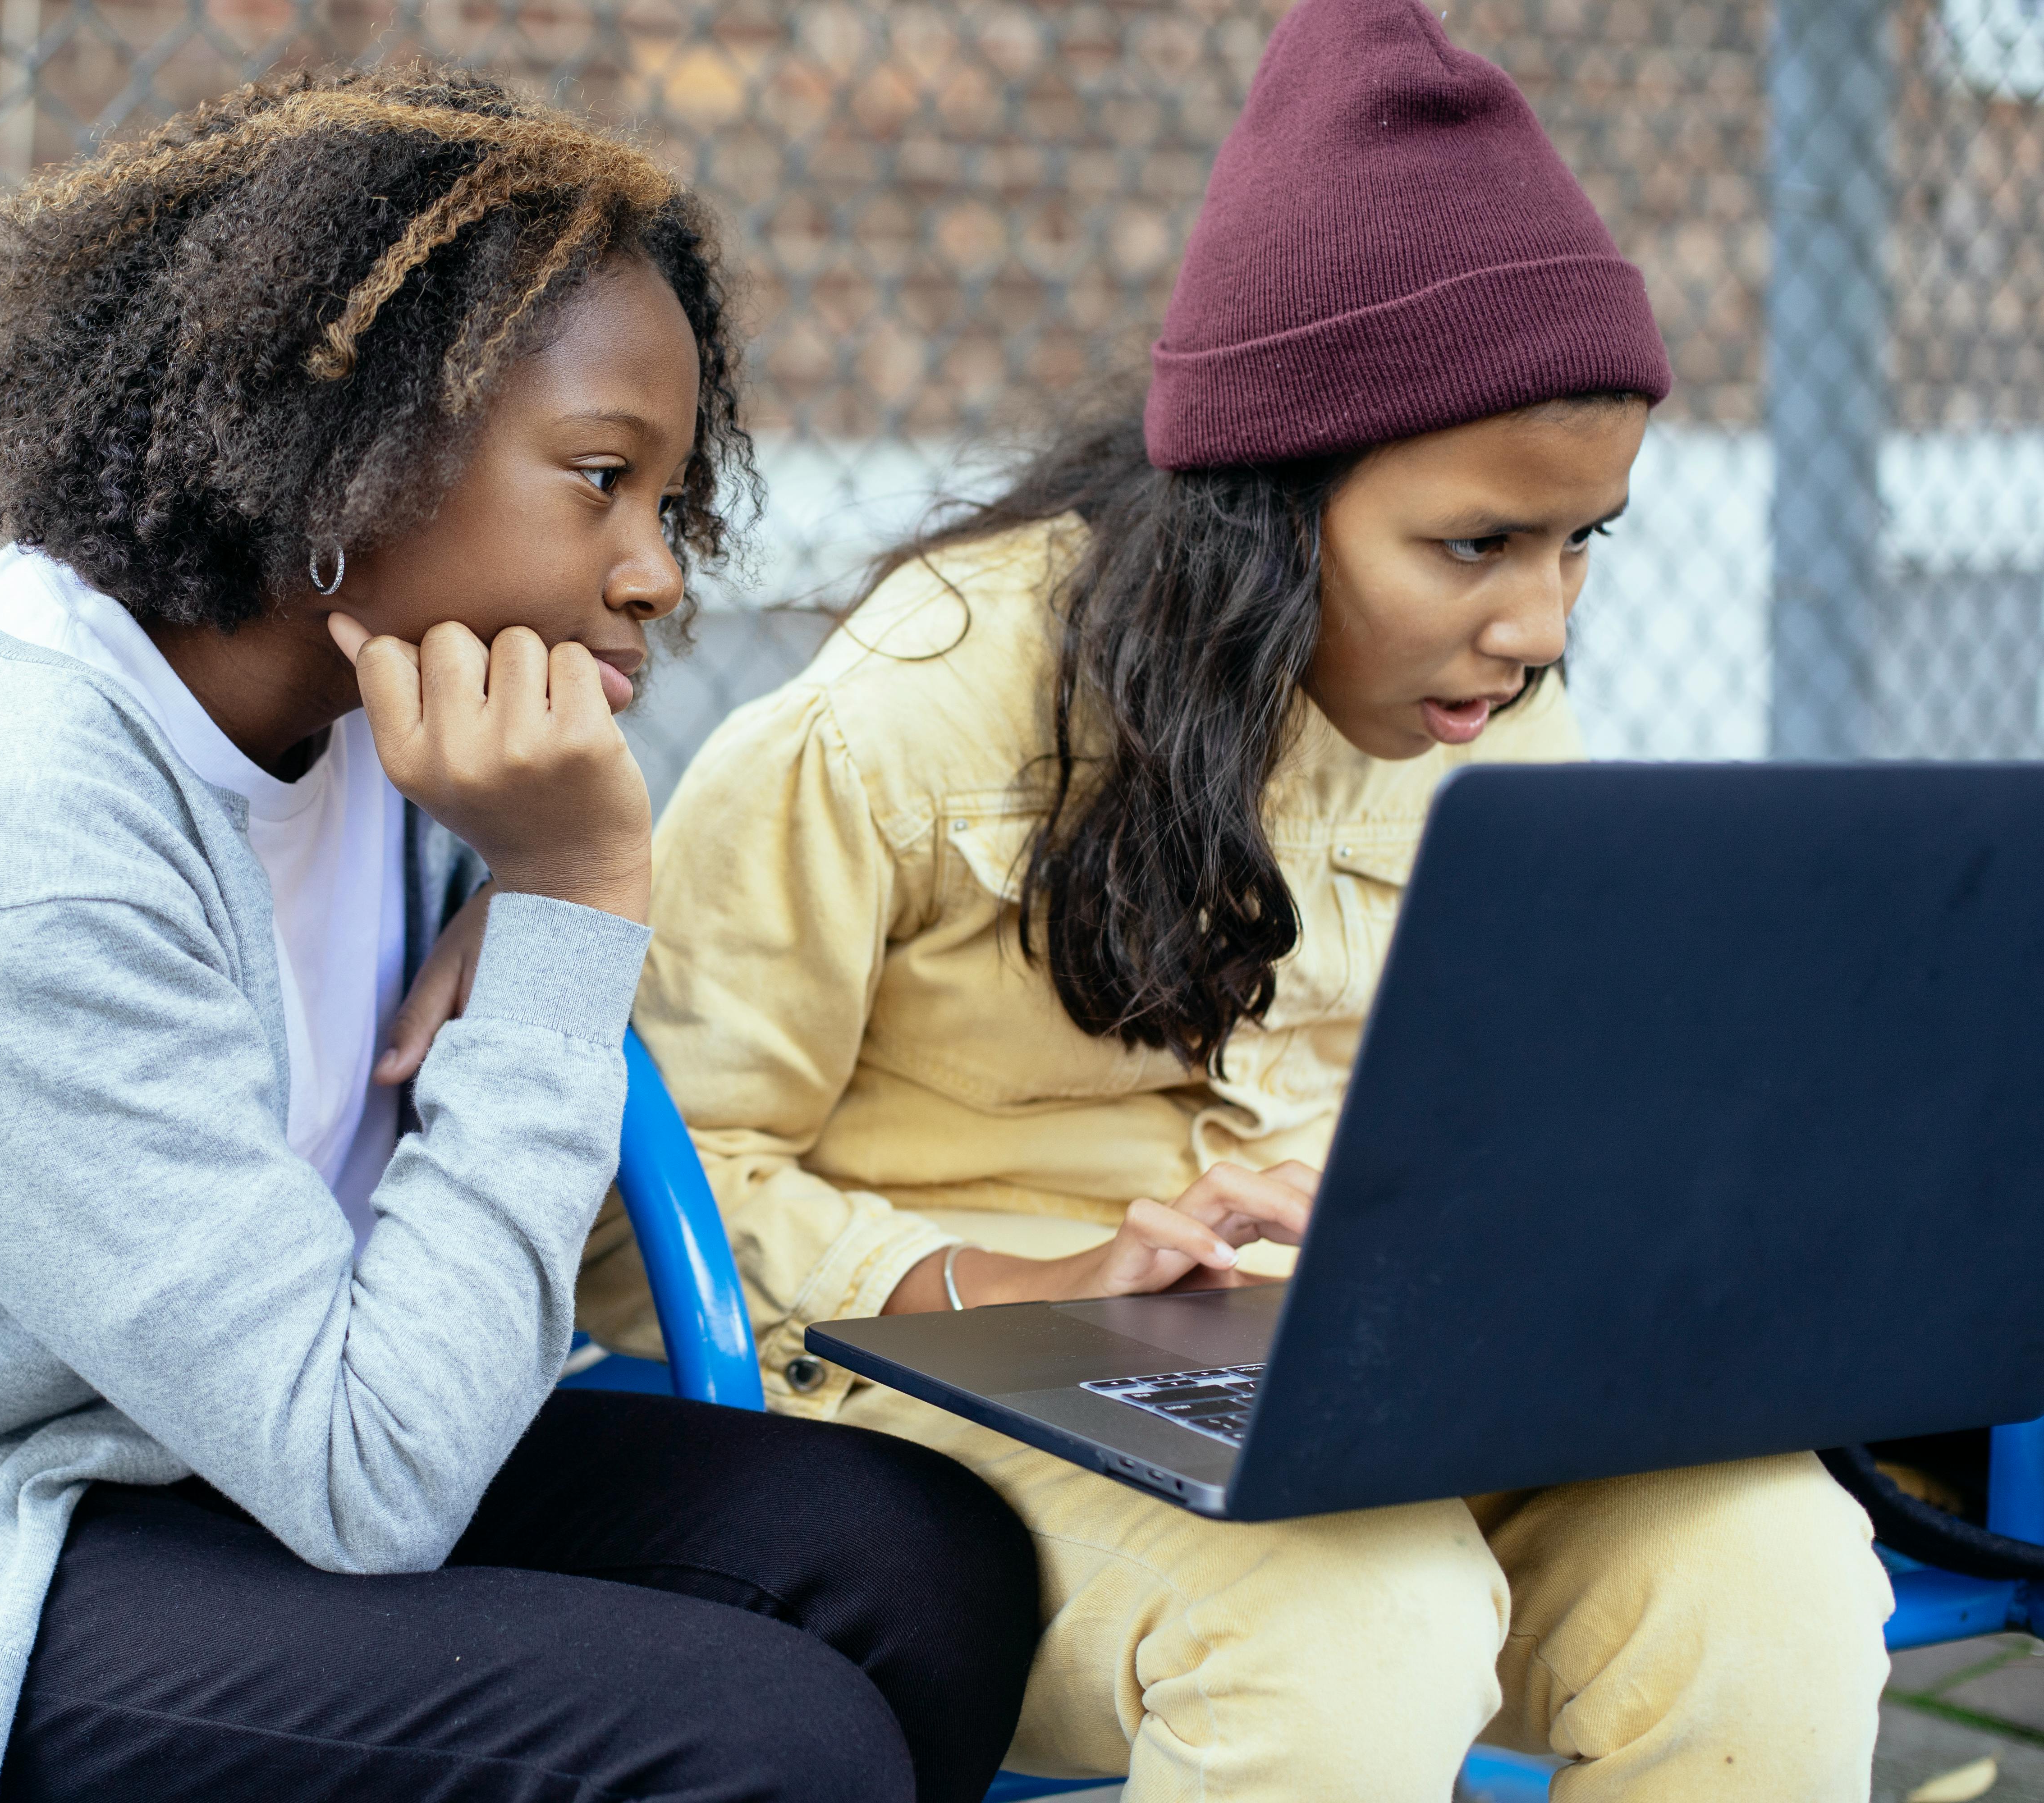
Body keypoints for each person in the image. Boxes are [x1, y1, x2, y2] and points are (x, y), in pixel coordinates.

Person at [0, 71, 1040, 1803]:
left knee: (922, 1563)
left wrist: (523, 888)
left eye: (666, 496)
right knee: (753, 1744)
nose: (657, 573)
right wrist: (570, 908)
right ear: (342, 447)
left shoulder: (390, 723)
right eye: (599, 480)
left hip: (238, 1445)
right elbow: (376, 1480)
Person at [582, 4, 1893, 1798]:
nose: (1544, 627)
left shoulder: (1495, 717)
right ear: (1270, 511)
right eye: (1477, 546)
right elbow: (635, 1210)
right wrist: (1022, 1268)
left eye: (1586, 541)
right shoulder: (911, 715)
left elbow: (1528, 1120)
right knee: (1354, 1617)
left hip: (1362, 1366)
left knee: (1774, 1569)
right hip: (963, 1387)